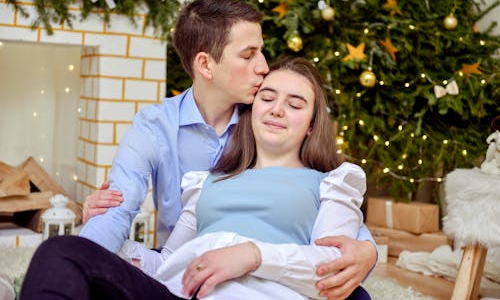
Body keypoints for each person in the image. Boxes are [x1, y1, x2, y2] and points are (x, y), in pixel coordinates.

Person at [79, 0, 377, 299]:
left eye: (261, 51)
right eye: (248, 55)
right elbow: (119, 211)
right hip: (188, 260)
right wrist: (87, 251)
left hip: (274, 271)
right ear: (206, 64)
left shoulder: (266, 120)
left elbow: (328, 209)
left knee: (354, 295)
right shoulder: (154, 126)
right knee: (65, 254)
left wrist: (368, 249)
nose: (263, 67)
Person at [21, 57, 370, 300]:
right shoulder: (208, 182)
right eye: (268, 97)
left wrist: (250, 255)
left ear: (311, 126)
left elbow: (332, 269)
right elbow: (168, 262)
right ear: (252, 112)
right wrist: (106, 248)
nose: (277, 109)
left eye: (295, 105)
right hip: (181, 294)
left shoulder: (332, 182)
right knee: (62, 251)